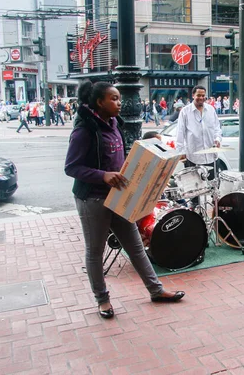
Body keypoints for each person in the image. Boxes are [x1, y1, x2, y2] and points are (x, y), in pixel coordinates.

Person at [65, 80, 185, 319]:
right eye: (114, 99)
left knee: (136, 247)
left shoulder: (114, 124)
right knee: (95, 252)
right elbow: (71, 167)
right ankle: (103, 300)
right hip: (93, 199)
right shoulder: (85, 129)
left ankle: (156, 290)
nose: (120, 103)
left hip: (119, 198)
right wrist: (103, 176)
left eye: (119, 98)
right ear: (99, 102)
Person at [175, 85, 222, 183]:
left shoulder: (211, 110)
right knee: (195, 191)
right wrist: (181, 152)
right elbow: (180, 132)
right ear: (193, 95)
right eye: (198, 95)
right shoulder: (185, 111)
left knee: (214, 189)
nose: (201, 98)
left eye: (203, 95)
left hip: (211, 157)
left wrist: (217, 139)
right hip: (193, 158)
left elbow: (217, 128)